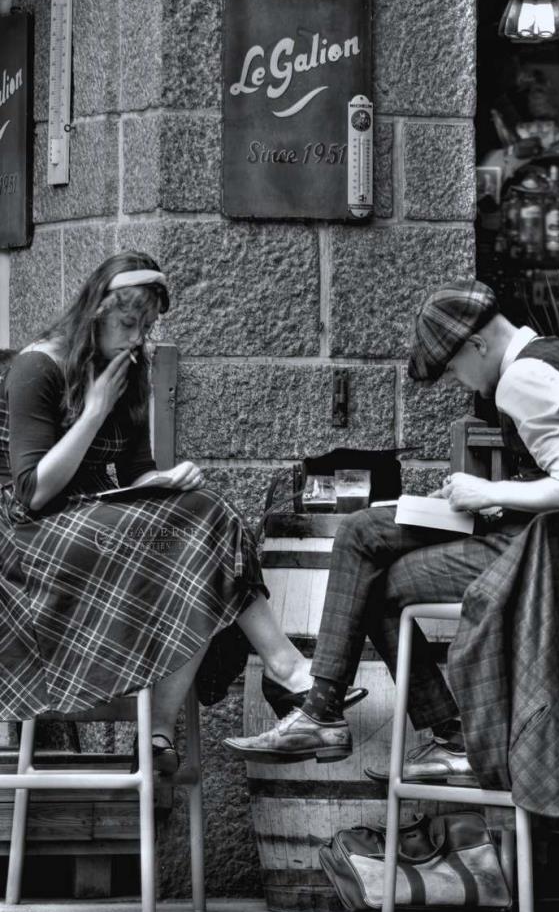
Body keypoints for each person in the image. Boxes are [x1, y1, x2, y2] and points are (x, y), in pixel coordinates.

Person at [223, 278, 559, 786]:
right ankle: (346, 714)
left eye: (455, 366)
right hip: (558, 543)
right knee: (364, 534)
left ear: (477, 344)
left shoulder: (522, 377)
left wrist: (491, 494)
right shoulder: (547, 361)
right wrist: (477, 497)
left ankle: (352, 715)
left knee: (367, 564)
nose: (461, 381)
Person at [0, 251, 364, 773]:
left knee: (199, 536)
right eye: (128, 323)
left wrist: (163, 482)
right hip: (32, 542)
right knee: (202, 527)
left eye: (145, 327)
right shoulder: (41, 366)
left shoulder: (128, 369)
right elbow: (32, 491)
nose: (135, 339)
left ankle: (162, 738)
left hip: (93, 521)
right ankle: (280, 672)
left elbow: (134, 477)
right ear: (96, 312)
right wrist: (95, 410)